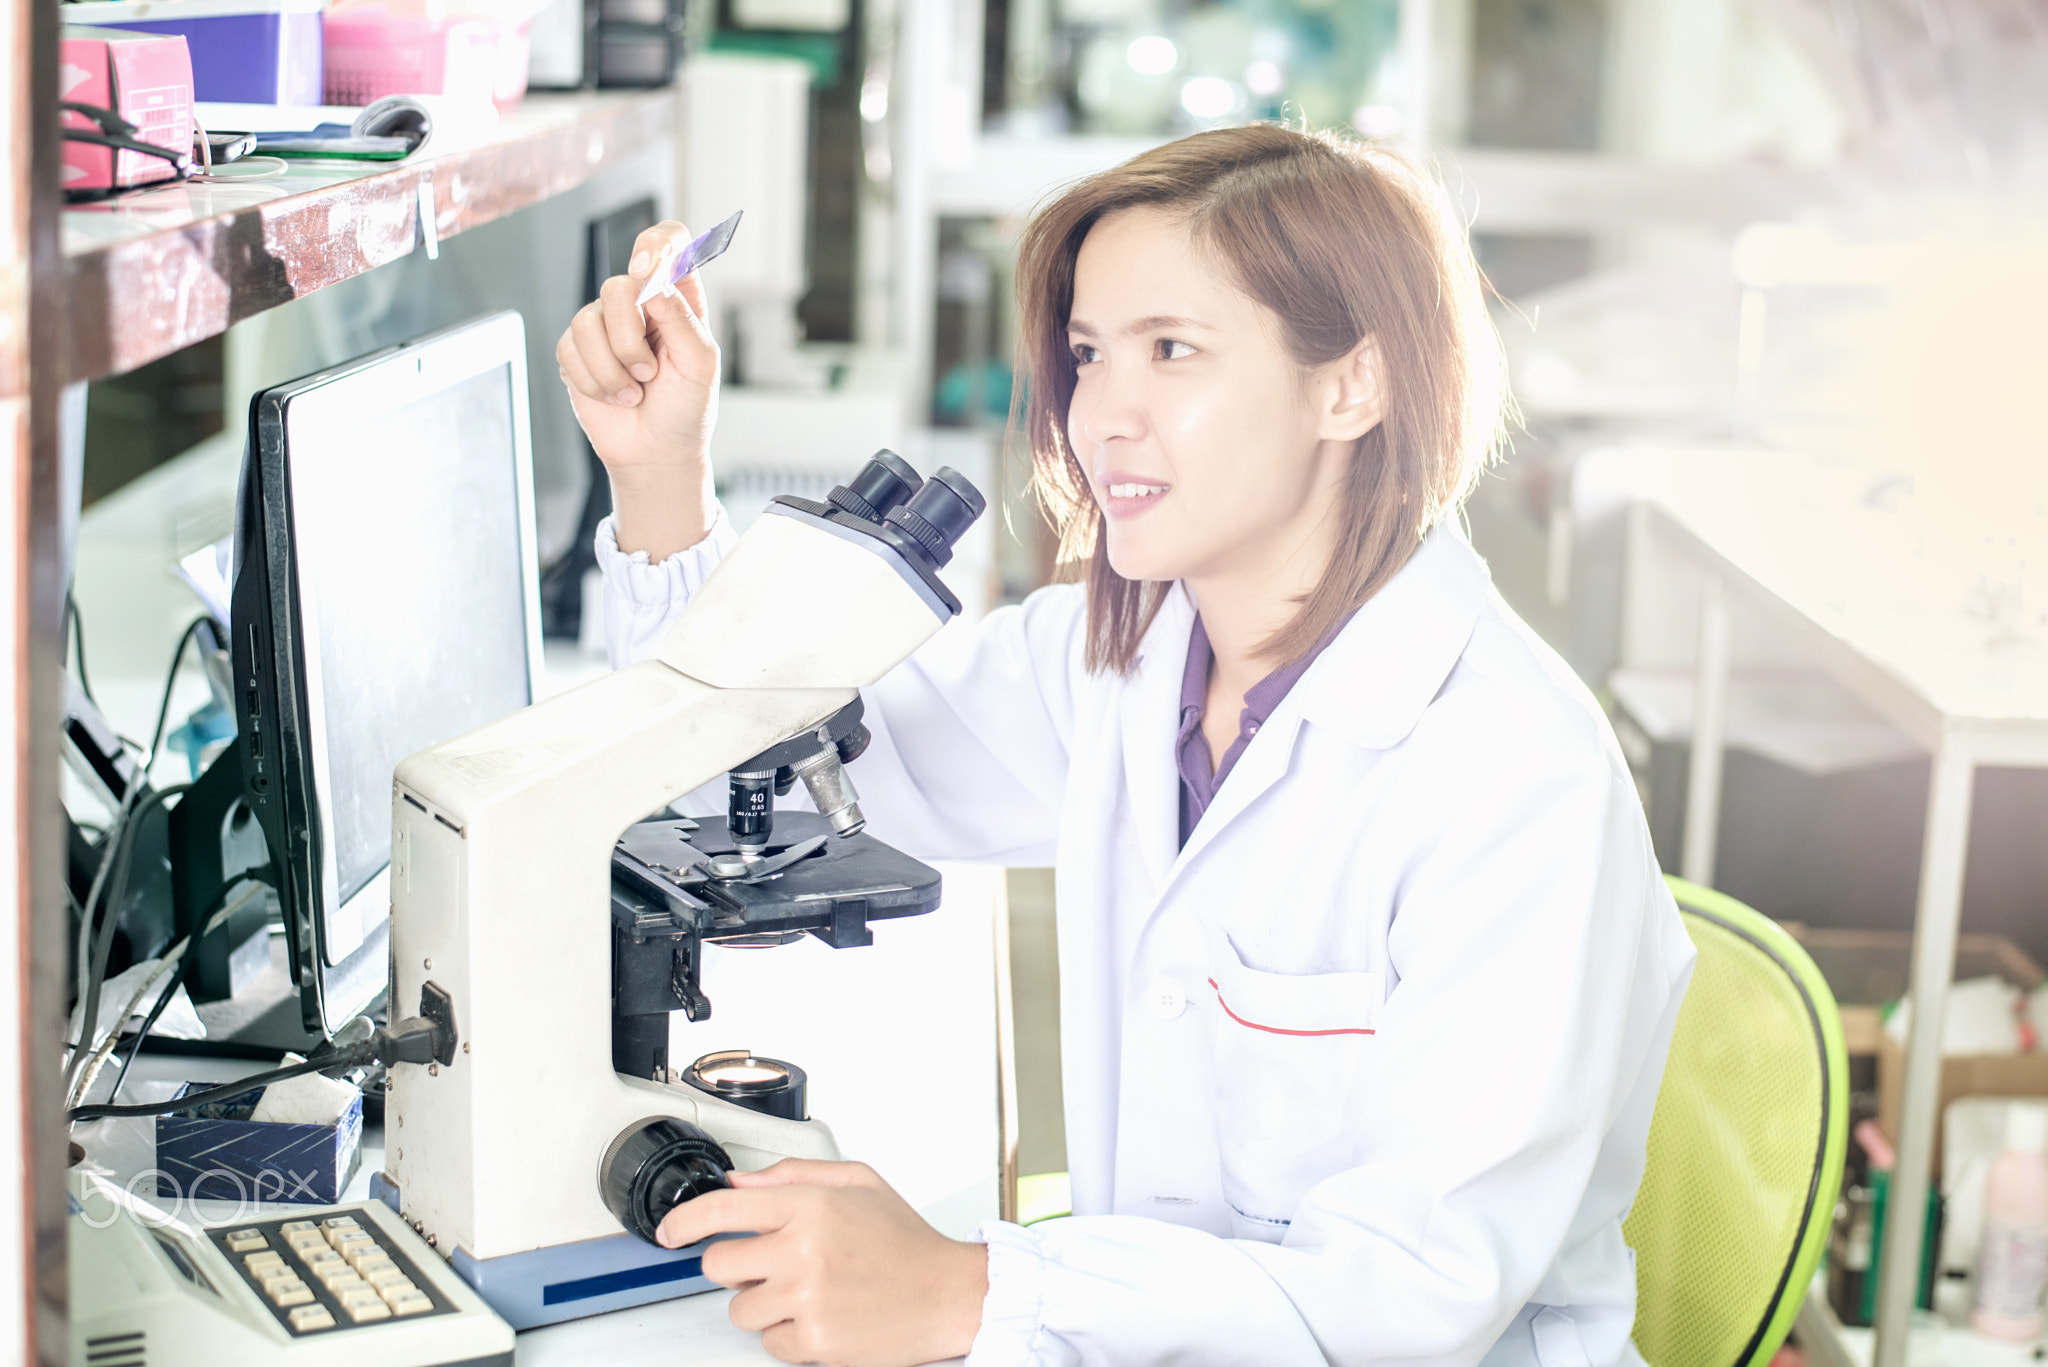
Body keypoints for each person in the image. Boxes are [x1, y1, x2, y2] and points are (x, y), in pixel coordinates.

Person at [556, 123, 1695, 1367]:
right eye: (1091, 355)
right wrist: (660, 467)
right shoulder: (1121, 658)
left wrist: (976, 1293)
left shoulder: (1512, 777)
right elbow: (793, 765)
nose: (1104, 415)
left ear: (1349, 384)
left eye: (1173, 350)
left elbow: (1409, 1296)